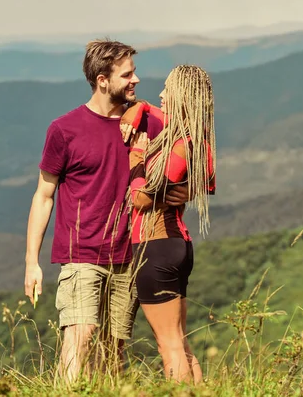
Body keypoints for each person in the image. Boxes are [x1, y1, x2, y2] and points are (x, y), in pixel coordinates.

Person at [23, 39, 190, 383]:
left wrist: (180, 192)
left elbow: (191, 156)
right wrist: (31, 262)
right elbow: (43, 196)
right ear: (102, 80)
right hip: (80, 252)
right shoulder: (64, 130)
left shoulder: (148, 125)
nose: (136, 80)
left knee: (113, 352)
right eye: (127, 74)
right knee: (80, 336)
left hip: (130, 255)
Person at [119, 64, 216, 383]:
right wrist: (140, 107)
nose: (160, 94)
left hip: (155, 247)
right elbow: (206, 184)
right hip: (177, 246)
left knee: (168, 344)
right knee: (181, 342)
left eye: (166, 89)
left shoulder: (178, 145)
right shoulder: (196, 139)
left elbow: (141, 200)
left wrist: (136, 159)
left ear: (182, 96)